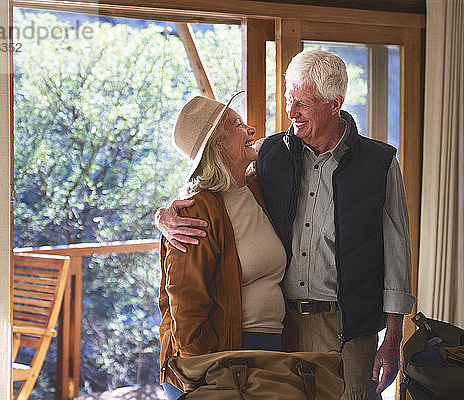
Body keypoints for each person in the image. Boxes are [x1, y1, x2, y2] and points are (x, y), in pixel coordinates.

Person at [156, 49, 415, 400]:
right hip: (284, 330)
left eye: (303, 103)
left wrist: (393, 337)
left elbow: (397, 255)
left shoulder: (379, 164)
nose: (291, 112)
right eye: (290, 99)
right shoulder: (271, 153)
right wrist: (164, 214)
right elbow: (211, 179)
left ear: (335, 103)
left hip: (347, 327)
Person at [158, 92, 287, 400]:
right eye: (239, 124)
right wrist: (204, 376)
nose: (252, 130)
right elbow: (186, 306)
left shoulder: (257, 190)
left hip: (268, 352)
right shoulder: (194, 212)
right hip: (220, 362)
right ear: (218, 145)